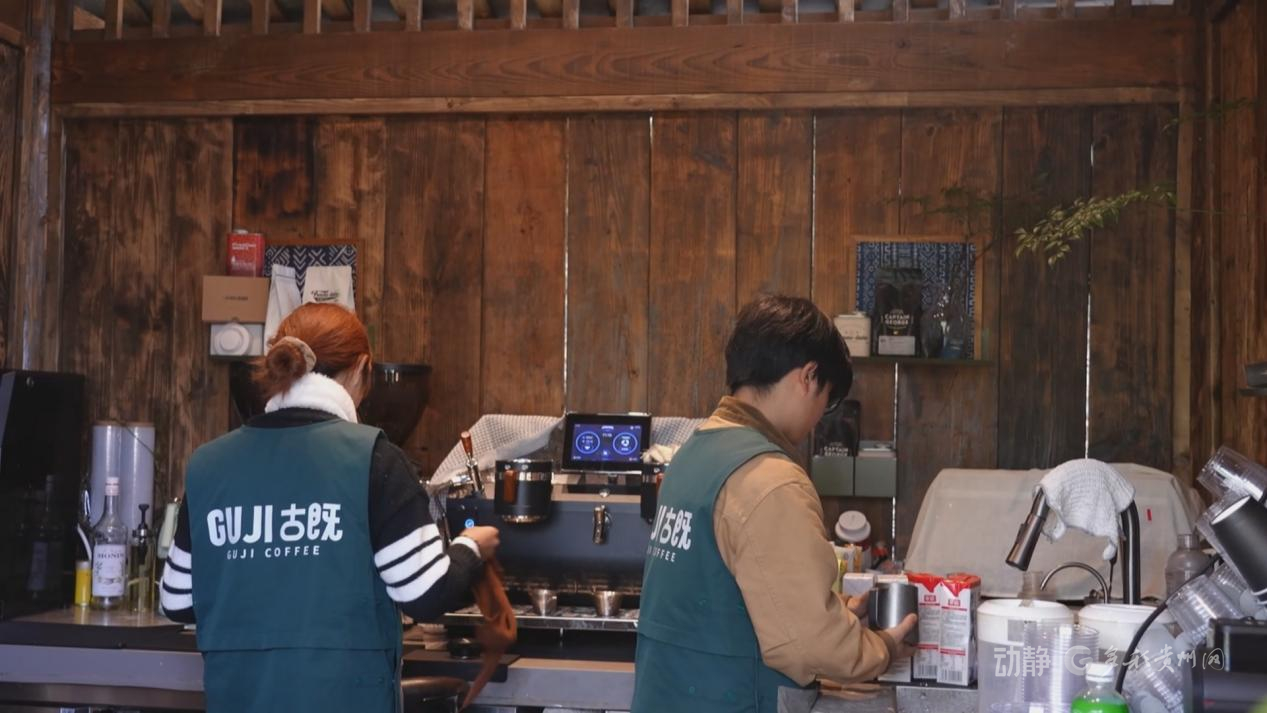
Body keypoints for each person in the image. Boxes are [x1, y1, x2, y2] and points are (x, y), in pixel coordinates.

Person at [159, 303, 499, 713]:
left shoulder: (209, 465)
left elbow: (177, 601)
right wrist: (471, 547)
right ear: (363, 369)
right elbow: (425, 593)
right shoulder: (372, 457)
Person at [632, 295, 917, 713]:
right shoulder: (770, 478)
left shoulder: (691, 456)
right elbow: (810, 646)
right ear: (808, 376)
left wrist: (832, 612)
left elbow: (724, 595)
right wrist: (883, 647)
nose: (819, 418)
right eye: (827, 400)